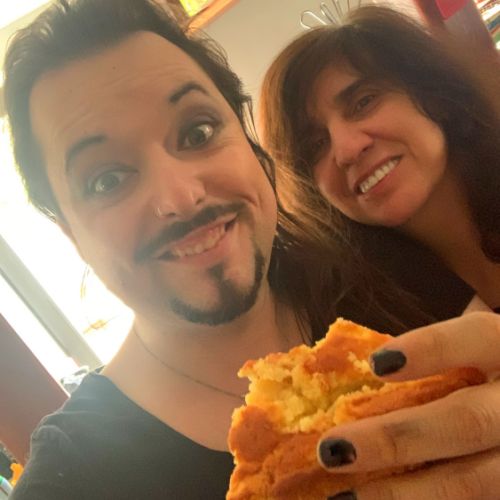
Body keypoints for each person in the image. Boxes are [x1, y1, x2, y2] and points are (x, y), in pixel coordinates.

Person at [3, 1, 499, 499]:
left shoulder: (380, 263)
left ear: (248, 140)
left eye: (198, 132)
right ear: (69, 232)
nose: (181, 197)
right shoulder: (74, 482)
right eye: (106, 179)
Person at [259, 6, 500, 499]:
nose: (346, 149)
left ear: (434, 95)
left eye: (363, 102)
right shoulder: (366, 339)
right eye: (315, 144)